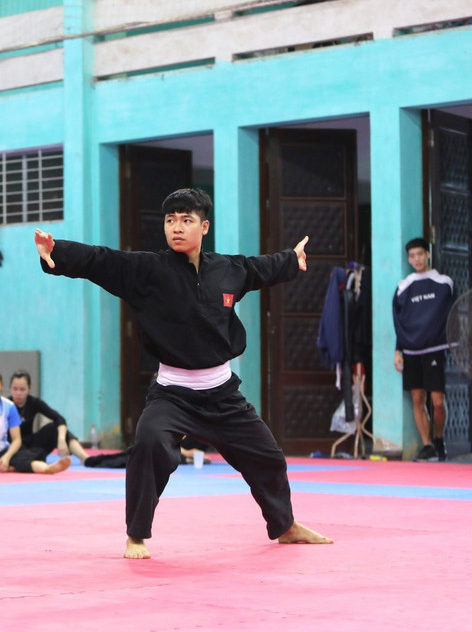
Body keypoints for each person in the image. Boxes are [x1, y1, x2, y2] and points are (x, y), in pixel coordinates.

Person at [34, 187, 332, 560]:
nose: (177, 227)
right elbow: (102, 260)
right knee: (149, 445)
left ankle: (285, 526)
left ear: (203, 226)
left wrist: (292, 259)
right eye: (170, 220)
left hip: (222, 393)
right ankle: (136, 535)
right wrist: (55, 252)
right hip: (172, 394)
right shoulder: (147, 270)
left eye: (186, 220)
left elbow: (261, 269)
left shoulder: (227, 269)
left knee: (268, 456)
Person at [392, 237, 454, 462]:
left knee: (437, 402)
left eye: (420, 254)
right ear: (408, 259)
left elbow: (457, 317)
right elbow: (398, 321)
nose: (416, 259)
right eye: (412, 256)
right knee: (417, 400)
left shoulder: (444, 282)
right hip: (411, 352)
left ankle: (439, 438)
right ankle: (427, 445)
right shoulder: (403, 286)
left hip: (435, 349)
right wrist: (398, 350)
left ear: (427, 254)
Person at [8, 369, 90, 464]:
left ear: (29, 389)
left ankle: (85, 458)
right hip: (12, 447)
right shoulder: (5, 404)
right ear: (10, 388)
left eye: (22, 389)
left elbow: (59, 418)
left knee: (54, 428)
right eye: (15, 389)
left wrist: (61, 439)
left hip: (31, 444)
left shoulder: (34, 402)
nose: (18, 393)